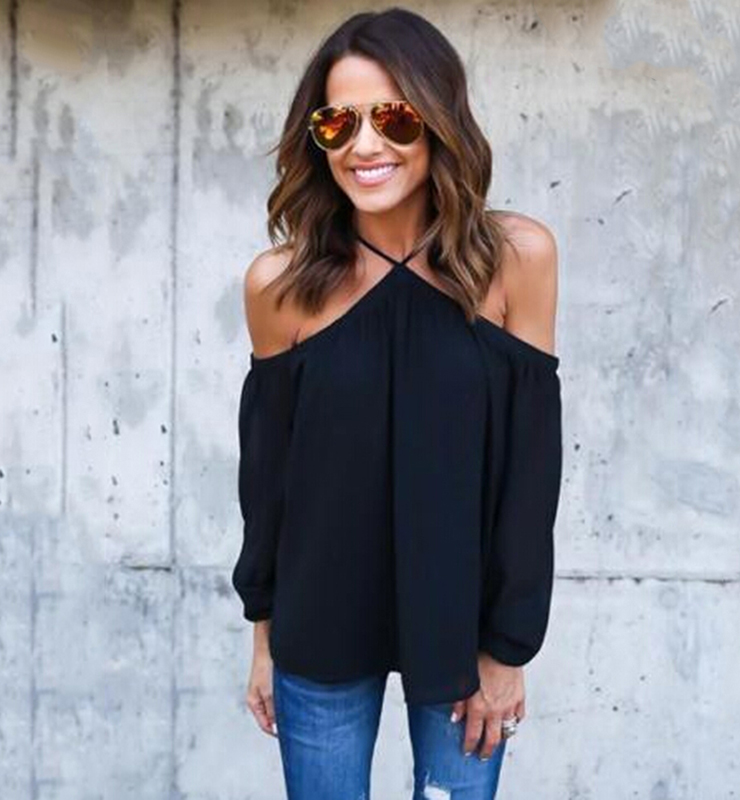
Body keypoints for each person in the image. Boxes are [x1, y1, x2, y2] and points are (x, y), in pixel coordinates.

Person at [231, 7, 563, 800]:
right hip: (318, 624)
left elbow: (530, 473)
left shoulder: (517, 259)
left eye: (393, 117)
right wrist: (264, 637)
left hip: (463, 634)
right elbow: (268, 482)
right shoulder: (279, 284)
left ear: (439, 120)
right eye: (337, 122)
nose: (364, 144)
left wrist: (508, 650)